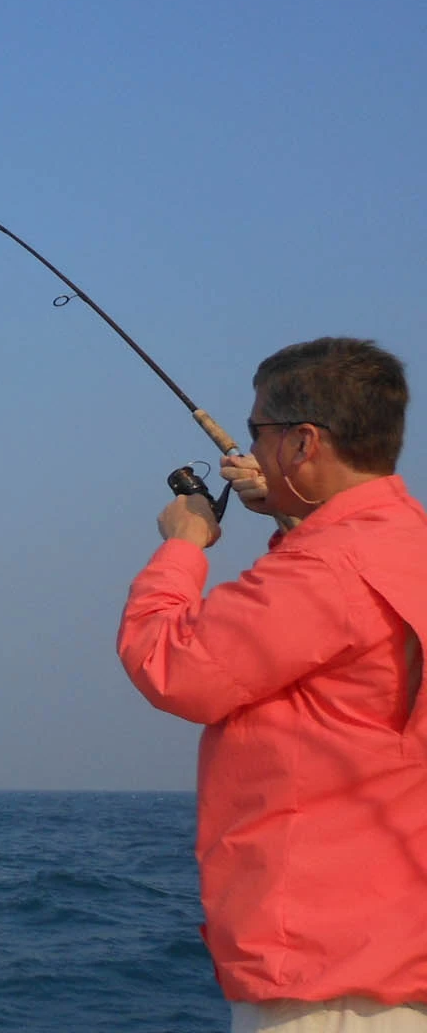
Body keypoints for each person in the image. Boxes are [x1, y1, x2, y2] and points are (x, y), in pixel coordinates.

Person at [117, 339, 427, 1032]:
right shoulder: (407, 541)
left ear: (302, 441)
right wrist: (298, 515)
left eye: (259, 430)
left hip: (332, 981)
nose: (251, 446)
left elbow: (170, 665)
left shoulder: (326, 569)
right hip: (399, 956)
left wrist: (182, 546)